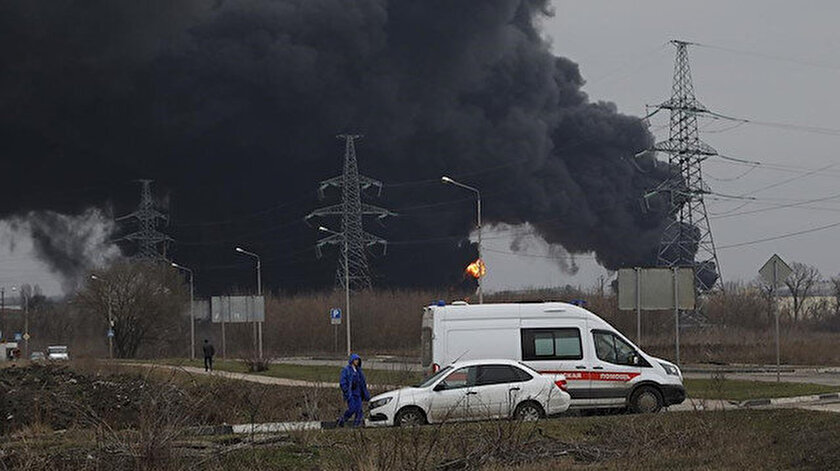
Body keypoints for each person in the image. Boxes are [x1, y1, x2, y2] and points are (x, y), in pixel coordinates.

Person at [337, 353, 370, 427]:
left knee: (359, 411)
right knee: (352, 409)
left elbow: (363, 384)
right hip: (350, 393)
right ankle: (342, 420)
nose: (357, 361)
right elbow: (343, 381)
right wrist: (345, 390)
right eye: (355, 359)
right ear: (352, 360)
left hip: (358, 393)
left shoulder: (359, 371)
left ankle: (356, 425)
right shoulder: (346, 370)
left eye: (358, 360)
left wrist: (366, 394)